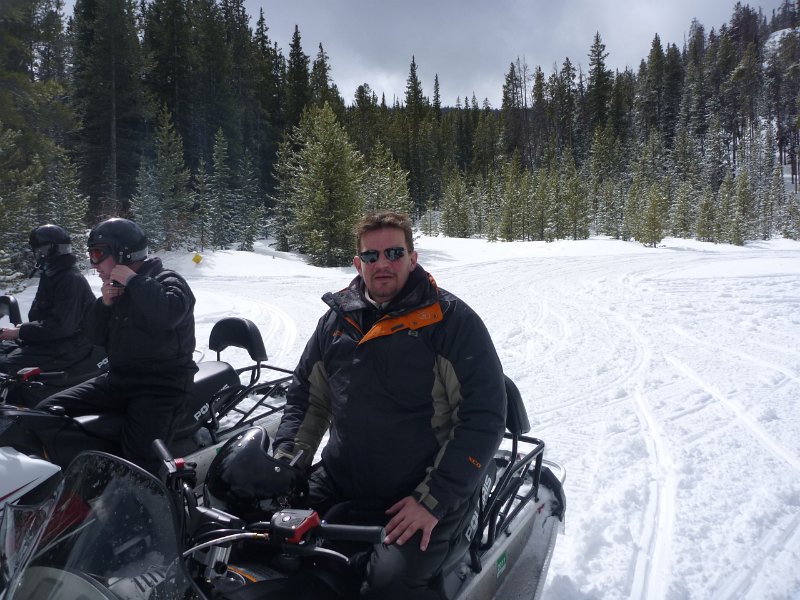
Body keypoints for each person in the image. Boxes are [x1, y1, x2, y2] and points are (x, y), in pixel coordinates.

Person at [273, 210, 507, 599]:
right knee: (268, 541)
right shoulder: (337, 322)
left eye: (394, 253)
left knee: (388, 586)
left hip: (421, 490)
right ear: (358, 263)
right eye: (371, 255)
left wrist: (431, 500)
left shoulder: (450, 322)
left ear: (413, 259)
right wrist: (287, 464)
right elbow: (307, 397)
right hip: (341, 479)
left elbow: (484, 417)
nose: (382, 264)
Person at [37, 217, 197, 474]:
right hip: (118, 381)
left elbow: (170, 313)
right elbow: (94, 336)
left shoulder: (167, 279)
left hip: (160, 388)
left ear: (123, 253)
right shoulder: (117, 288)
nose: (93, 264)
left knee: (138, 467)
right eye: (91, 255)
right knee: (44, 413)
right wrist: (104, 305)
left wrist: (134, 281)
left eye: (97, 254)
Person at [0, 224, 95, 375]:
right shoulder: (53, 274)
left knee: (4, 367)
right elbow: (45, 316)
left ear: (45, 251)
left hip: (69, 346)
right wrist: (22, 330)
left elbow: (61, 326)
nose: (36, 255)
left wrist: (21, 331)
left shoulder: (69, 279)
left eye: (37, 251)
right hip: (52, 341)